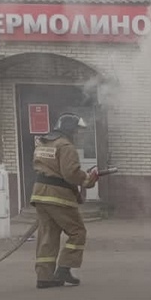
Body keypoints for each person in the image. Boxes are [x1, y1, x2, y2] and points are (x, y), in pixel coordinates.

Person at [30, 113, 100, 289]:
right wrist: (87, 179)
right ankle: (64, 268)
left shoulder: (43, 143)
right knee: (77, 232)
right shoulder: (66, 146)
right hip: (58, 196)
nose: (80, 134)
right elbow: (70, 173)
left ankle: (44, 277)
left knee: (48, 235)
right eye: (78, 130)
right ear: (70, 129)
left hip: (39, 194)